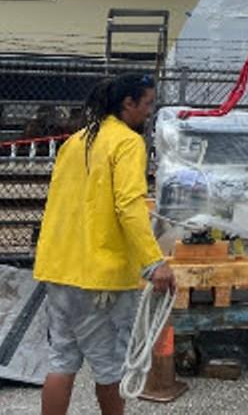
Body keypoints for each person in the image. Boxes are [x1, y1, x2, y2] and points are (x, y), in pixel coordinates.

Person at [34, 73, 175, 415]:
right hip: (101, 278)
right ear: (129, 104)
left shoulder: (76, 141)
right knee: (110, 368)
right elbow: (129, 206)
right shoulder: (126, 143)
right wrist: (154, 262)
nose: (149, 111)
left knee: (62, 360)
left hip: (59, 269)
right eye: (148, 103)